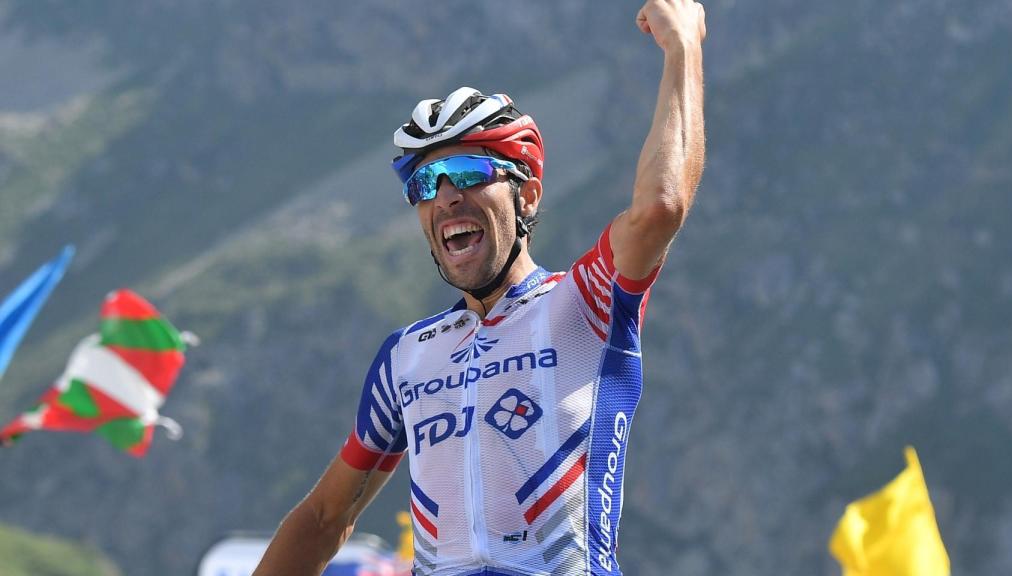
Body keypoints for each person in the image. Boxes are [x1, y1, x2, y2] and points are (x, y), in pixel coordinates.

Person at [254, 1, 706, 574]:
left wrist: (683, 48)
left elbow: (659, 209)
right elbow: (323, 518)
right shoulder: (407, 356)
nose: (446, 198)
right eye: (426, 183)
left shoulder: (586, 302)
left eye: (468, 173)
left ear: (529, 196)